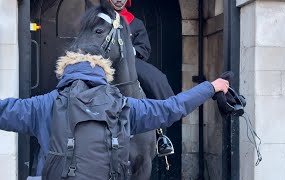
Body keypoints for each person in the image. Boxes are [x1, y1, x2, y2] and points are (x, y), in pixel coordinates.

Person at [0, 52, 229, 178]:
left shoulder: (42, 106)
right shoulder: (123, 105)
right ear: (105, 76)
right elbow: (171, 108)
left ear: (65, 74)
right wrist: (211, 86)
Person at [108, 0, 176, 156]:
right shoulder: (99, 18)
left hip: (129, 62)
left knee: (157, 79)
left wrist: (129, 50)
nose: (119, 0)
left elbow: (144, 48)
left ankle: (161, 135)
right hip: (103, 61)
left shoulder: (135, 22)